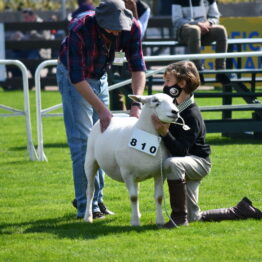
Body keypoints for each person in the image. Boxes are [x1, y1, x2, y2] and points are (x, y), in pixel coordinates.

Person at [56, 0, 146, 219]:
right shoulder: (79, 29)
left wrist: (136, 103)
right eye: (111, 27)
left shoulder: (132, 27)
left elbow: (138, 67)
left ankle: (97, 201)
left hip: (99, 75)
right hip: (73, 78)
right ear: (99, 20)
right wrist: (103, 110)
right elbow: (76, 78)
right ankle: (86, 206)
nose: (117, 32)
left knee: (104, 138)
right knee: (83, 142)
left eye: (120, 27)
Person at [152, 61, 262, 228]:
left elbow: (180, 151)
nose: (164, 85)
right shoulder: (173, 108)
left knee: (171, 163)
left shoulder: (192, 114)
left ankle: (178, 219)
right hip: (186, 162)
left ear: (181, 84)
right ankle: (242, 210)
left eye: (167, 81)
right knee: (195, 217)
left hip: (198, 162)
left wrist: (164, 132)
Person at [171, 0, 230, 84]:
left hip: (204, 30)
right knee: (195, 30)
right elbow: (177, 20)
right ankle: (197, 71)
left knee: (221, 30)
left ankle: (220, 71)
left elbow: (215, 16)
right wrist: (197, 24)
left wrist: (208, 23)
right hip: (185, 31)